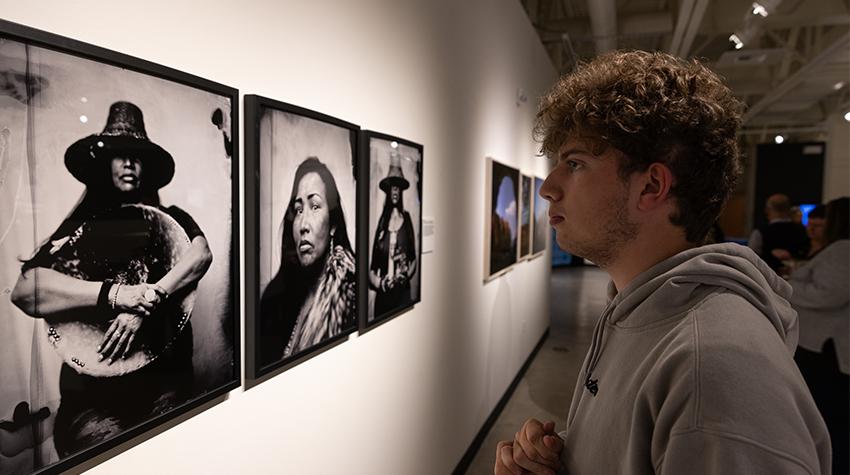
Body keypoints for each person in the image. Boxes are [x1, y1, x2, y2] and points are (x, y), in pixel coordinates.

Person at [496, 51, 830, 475]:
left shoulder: (713, 368)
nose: (548, 188)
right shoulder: (639, 310)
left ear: (651, 185)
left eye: (575, 163)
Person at [10, 101, 212, 457]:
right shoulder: (79, 229)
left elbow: (200, 256)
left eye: (137, 155)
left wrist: (145, 301)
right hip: (92, 401)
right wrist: (116, 295)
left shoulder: (173, 220)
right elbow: (25, 292)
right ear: (105, 164)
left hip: (165, 388)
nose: (130, 163)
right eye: (120, 155)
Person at [259, 157, 356, 367]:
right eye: (298, 210)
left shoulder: (350, 295)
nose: (303, 224)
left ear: (332, 225)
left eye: (315, 206)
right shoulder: (278, 298)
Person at [790, 197, 849, 475]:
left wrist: (786, 286)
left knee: (829, 420)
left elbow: (828, 294)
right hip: (825, 348)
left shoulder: (843, 249)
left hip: (826, 350)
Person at [368, 151, 417, 319]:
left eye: (398, 188)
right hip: (384, 299)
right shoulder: (382, 223)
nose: (395, 191)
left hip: (403, 296)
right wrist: (381, 283)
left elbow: (413, 260)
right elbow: (372, 269)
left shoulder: (407, 219)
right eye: (392, 188)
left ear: (401, 191)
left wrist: (404, 276)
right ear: (388, 191)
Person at [748, 193, 810, 272]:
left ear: (767, 210)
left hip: (766, 278)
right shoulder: (803, 231)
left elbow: (751, 259)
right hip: (796, 276)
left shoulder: (760, 232)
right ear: (788, 210)